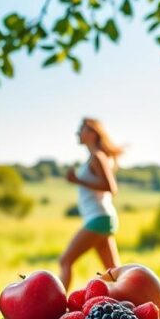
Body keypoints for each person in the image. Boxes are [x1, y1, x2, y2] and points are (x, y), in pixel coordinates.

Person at [58, 118, 122, 290]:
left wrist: (78, 180)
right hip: (103, 217)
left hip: (98, 218)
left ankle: (57, 306)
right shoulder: (96, 157)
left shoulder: (97, 157)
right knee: (113, 273)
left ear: (93, 133)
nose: (78, 133)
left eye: (82, 129)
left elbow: (110, 187)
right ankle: (129, 306)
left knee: (65, 260)